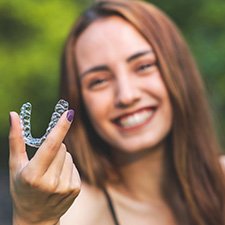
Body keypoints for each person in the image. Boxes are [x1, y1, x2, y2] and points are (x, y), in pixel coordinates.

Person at [8, 0, 225, 225]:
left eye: (143, 66)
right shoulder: (72, 215)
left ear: (179, 71)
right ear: (79, 101)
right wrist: (33, 219)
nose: (126, 95)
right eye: (99, 81)